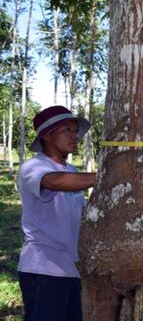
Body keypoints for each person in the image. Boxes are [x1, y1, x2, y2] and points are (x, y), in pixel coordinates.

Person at [18, 105, 96, 321]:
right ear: (48, 136)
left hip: (70, 270)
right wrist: (108, 175)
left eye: (75, 130)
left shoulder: (72, 171)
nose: (75, 136)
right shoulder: (33, 167)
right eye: (67, 130)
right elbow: (54, 182)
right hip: (43, 269)